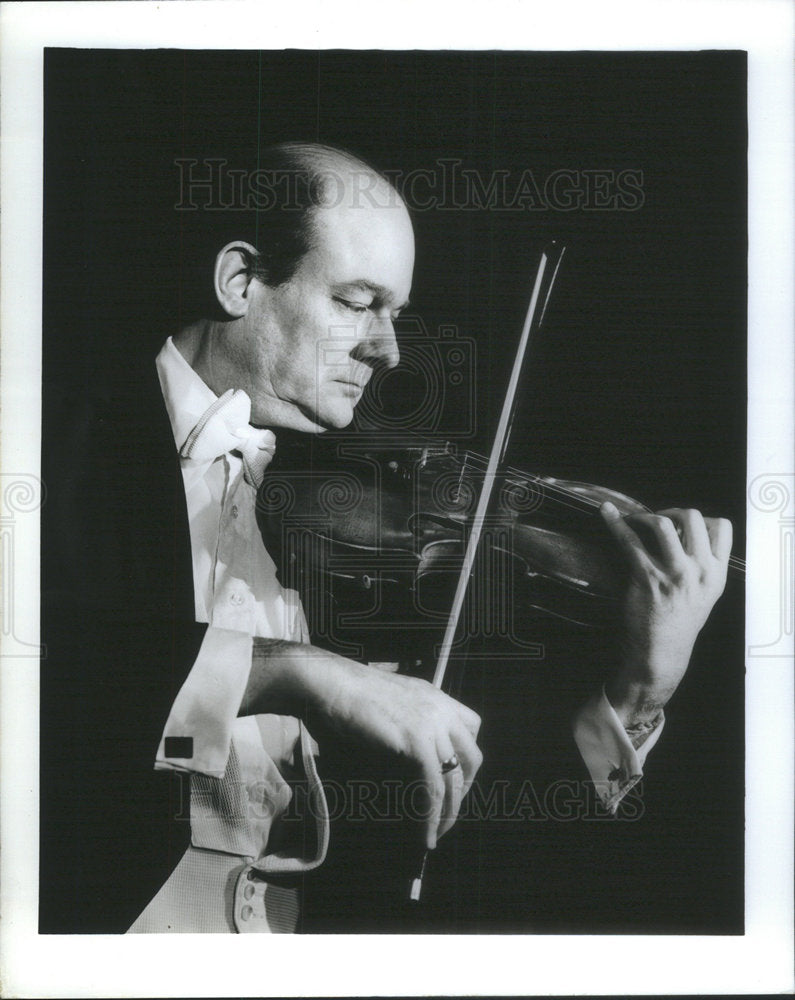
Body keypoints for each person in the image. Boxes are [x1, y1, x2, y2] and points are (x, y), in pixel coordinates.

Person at [40, 142, 732, 934]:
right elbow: (48, 671)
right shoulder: (53, 440)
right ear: (240, 280)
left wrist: (640, 692)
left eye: (393, 312)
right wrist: (301, 672)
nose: (388, 349)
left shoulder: (311, 525)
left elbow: (448, 850)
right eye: (355, 301)